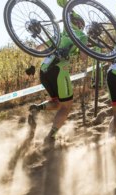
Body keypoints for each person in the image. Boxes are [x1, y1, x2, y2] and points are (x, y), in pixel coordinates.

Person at [29, 0, 88, 141]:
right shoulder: (81, 35)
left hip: (44, 71)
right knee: (66, 107)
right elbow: (84, 57)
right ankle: (51, 136)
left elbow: (38, 48)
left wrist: (31, 64)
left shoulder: (59, 35)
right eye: (82, 25)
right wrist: (84, 52)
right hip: (60, 71)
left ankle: (36, 109)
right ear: (79, 23)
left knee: (56, 103)